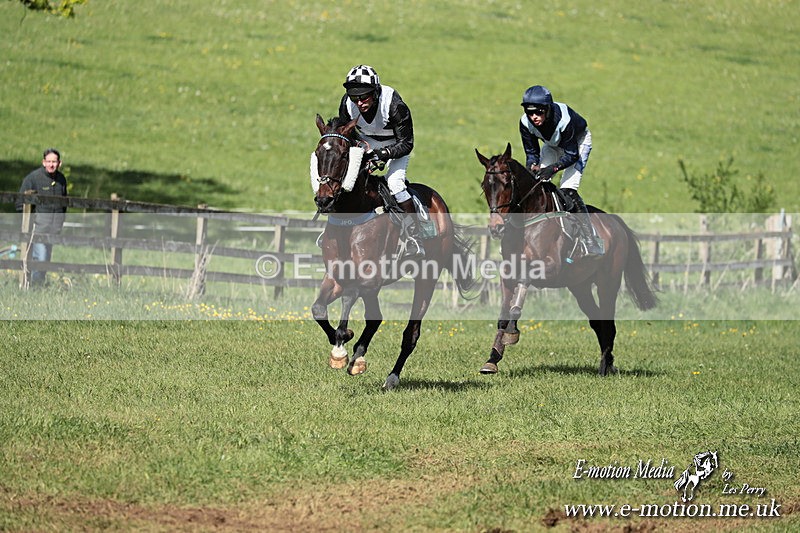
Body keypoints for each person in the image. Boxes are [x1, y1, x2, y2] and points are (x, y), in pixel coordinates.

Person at [337, 64, 424, 257]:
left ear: (375, 92)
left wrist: (382, 154)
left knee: (395, 184)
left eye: (364, 96)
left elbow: (407, 144)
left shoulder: (394, 105)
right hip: (365, 143)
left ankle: (415, 236)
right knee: (345, 181)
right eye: (354, 97)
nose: (359, 102)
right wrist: (361, 148)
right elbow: (346, 134)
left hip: (395, 146)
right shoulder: (347, 104)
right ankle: (335, 228)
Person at [519, 85, 603, 256]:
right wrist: (533, 165)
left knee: (568, 189)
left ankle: (590, 240)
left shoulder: (564, 121)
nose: (534, 117)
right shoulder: (524, 123)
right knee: (536, 184)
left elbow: (572, 155)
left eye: (539, 112)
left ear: (548, 109)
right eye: (530, 112)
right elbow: (531, 152)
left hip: (577, 143)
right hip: (552, 144)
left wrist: (553, 168)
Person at [15, 148, 68, 285]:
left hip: (53, 229)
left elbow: (64, 204)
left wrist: (60, 222)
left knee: (45, 260)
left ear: (59, 163)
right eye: (49, 161)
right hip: (37, 229)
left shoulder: (61, 180)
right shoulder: (33, 178)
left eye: (54, 162)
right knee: (42, 258)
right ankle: (35, 288)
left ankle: (31, 286)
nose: (51, 165)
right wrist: (31, 223)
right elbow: (20, 203)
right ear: (43, 162)